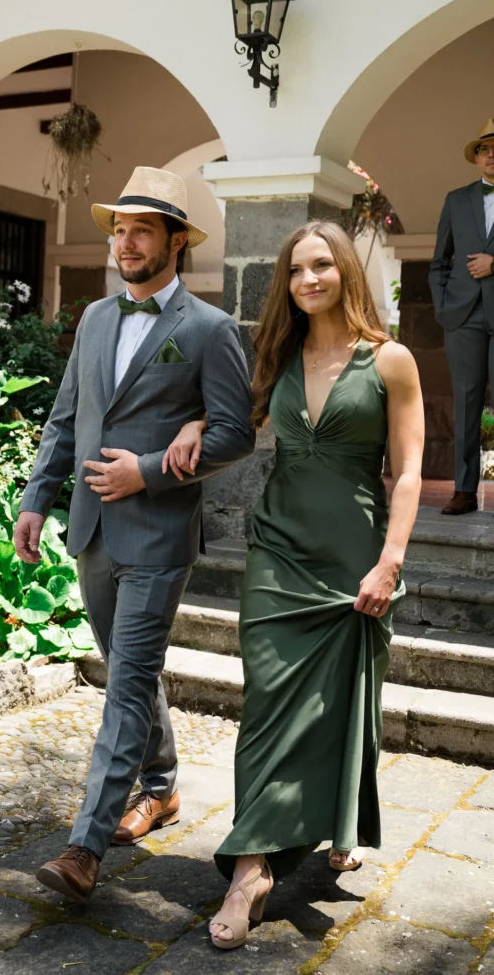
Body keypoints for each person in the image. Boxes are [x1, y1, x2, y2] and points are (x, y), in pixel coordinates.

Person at [164, 220, 424, 951]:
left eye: (322, 266)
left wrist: (390, 561)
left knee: (347, 700)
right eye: (297, 270)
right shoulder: (275, 356)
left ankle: (337, 821)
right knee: (269, 704)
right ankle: (250, 871)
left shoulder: (391, 360)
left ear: (345, 271)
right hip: (278, 552)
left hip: (353, 554)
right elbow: (231, 419)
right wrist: (191, 424)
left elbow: (406, 470)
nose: (309, 280)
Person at [13, 166, 255, 904]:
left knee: (123, 683)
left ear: (177, 241)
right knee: (129, 667)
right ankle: (162, 785)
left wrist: (148, 470)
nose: (124, 242)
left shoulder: (209, 330)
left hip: (157, 535)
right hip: (90, 528)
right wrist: (35, 500)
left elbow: (236, 434)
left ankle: (85, 845)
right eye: (118, 228)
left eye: (141, 229)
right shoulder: (91, 319)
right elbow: (67, 419)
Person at [429, 118, 494, 515]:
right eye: (485, 150)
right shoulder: (456, 200)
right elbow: (439, 261)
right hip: (463, 315)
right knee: (467, 401)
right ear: (476, 157)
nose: (492, 156)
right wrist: (442, 304)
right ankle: (465, 490)